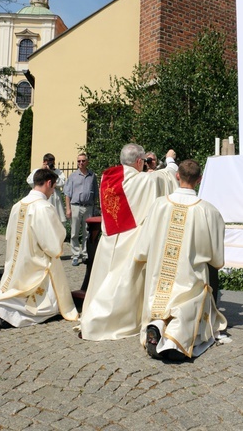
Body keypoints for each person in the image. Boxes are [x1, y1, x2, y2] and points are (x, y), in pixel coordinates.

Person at [80, 143, 178, 341]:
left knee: (105, 279)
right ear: (140, 162)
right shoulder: (142, 181)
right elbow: (165, 178)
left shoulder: (108, 177)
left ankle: (92, 313)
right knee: (119, 284)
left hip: (110, 238)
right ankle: (101, 321)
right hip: (129, 239)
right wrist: (170, 161)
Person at [134, 159, 227, 361]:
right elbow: (217, 258)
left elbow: (143, 246)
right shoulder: (208, 211)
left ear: (177, 176)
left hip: (160, 277)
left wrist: (143, 255)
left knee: (161, 303)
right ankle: (174, 339)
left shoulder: (158, 205)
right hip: (189, 275)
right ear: (199, 179)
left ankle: (157, 326)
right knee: (187, 304)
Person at [0, 168, 79, 329]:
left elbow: (9, 234)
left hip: (19, 260)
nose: (52, 192)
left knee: (15, 287)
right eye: (54, 187)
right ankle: (8, 315)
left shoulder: (18, 205)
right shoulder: (43, 207)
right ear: (49, 183)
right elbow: (52, 243)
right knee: (45, 307)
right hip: (37, 262)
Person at [63, 153, 99, 266]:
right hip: (75, 206)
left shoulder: (92, 176)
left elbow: (96, 194)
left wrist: (96, 208)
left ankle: (85, 254)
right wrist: (68, 208)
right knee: (74, 232)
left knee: (86, 233)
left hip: (88, 207)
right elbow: (67, 194)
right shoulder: (73, 176)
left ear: (87, 162)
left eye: (83, 161)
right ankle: (75, 255)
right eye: (79, 161)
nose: (81, 163)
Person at [27, 153, 66, 224]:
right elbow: (30, 181)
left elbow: (62, 183)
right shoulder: (37, 171)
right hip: (42, 199)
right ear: (44, 162)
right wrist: (41, 171)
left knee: (56, 221)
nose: (52, 163)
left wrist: (51, 173)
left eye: (53, 161)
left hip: (55, 199)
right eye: (49, 161)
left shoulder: (58, 172)